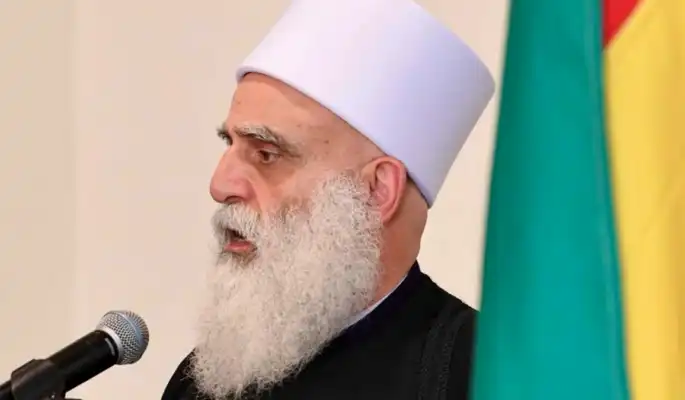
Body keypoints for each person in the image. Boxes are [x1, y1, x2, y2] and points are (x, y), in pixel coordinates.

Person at [162, 0, 494, 398]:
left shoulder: (483, 377)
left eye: (266, 154)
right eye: (229, 144)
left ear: (377, 191)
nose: (220, 185)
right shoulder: (200, 384)